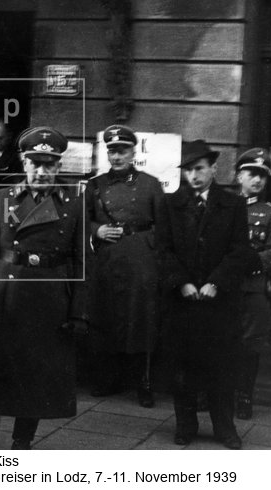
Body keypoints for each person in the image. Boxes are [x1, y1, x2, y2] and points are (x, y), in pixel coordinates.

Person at [0, 126, 88, 450]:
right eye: (35, 163)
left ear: (59, 166)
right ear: (24, 163)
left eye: (49, 164)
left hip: (48, 299)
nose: (42, 171)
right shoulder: (1, 199)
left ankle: (23, 440)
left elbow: (81, 261)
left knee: (36, 375)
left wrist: (78, 311)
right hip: (4, 294)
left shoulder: (74, 203)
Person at [161, 139, 252, 449]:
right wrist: (181, 282)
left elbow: (240, 251)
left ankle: (224, 428)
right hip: (182, 301)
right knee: (183, 367)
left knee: (222, 367)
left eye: (199, 169)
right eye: (188, 170)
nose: (193, 176)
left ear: (214, 169)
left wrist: (217, 282)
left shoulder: (233, 204)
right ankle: (185, 425)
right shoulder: (171, 204)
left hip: (220, 302)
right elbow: (163, 249)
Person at [85, 125, 166, 408]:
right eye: (112, 151)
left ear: (134, 152)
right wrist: (97, 231)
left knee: (141, 319)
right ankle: (108, 378)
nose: (117, 156)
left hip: (141, 259)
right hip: (107, 259)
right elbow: (81, 221)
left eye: (122, 150)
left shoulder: (150, 184)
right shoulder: (95, 185)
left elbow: (164, 225)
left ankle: (143, 383)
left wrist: (148, 246)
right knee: (107, 317)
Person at [234, 148, 271, 420]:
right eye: (252, 173)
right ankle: (212, 393)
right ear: (239, 175)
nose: (257, 180)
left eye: (263, 176)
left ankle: (244, 397)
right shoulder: (223, 205)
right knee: (218, 340)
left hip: (253, 287)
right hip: (223, 286)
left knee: (249, 345)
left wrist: (247, 263)